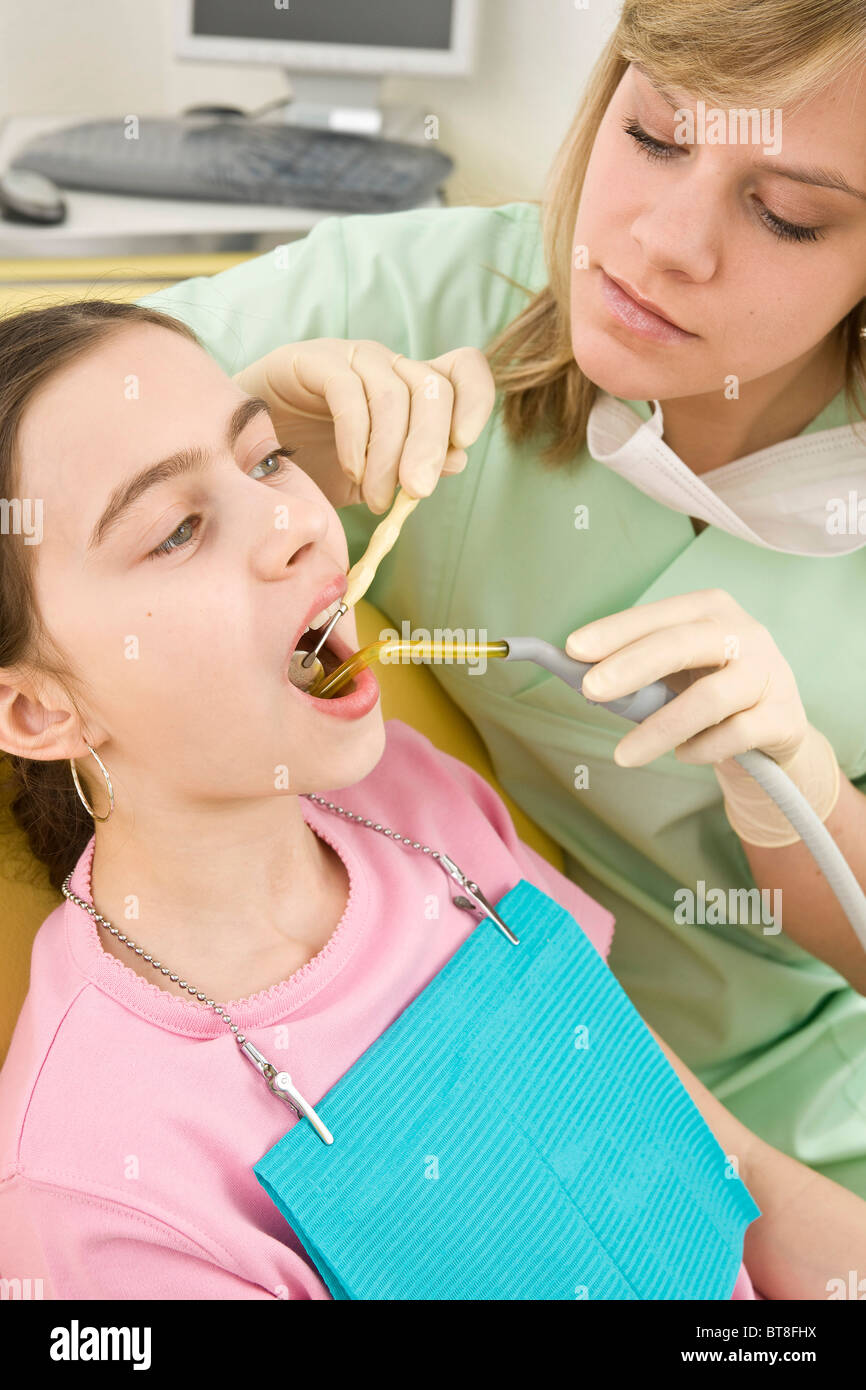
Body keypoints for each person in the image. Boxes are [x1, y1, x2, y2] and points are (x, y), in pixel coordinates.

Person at [135, 0, 866, 1202]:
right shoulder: (427, 296)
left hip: (806, 1120)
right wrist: (245, 444)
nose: (665, 243)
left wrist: (801, 797)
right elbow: (57, 449)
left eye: (786, 215)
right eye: (653, 138)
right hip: (489, 1111)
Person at [0, 300, 864, 1299]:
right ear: (33, 710)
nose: (292, 521)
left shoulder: (411, 798)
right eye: (178, 530)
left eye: (267, 458)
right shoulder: (93, 1194)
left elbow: (736, 1183)